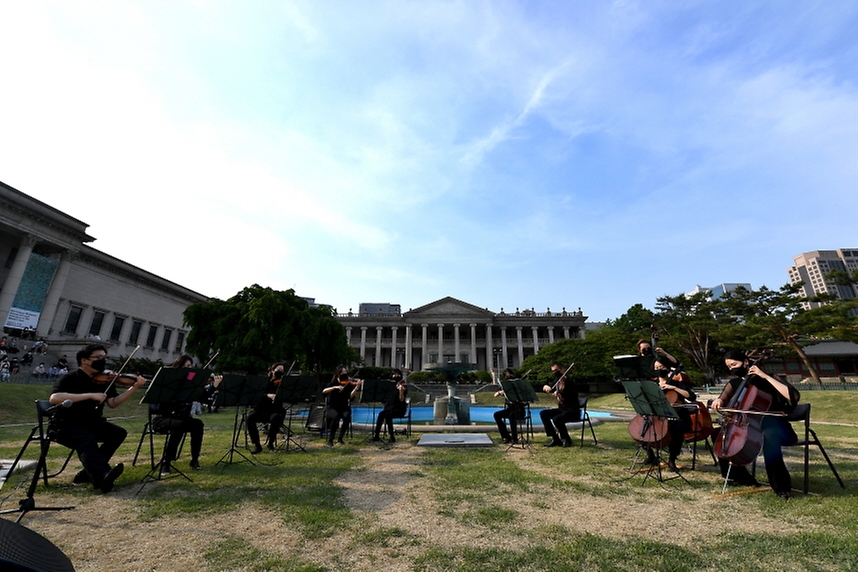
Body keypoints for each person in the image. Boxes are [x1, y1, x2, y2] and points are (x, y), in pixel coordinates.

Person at [49, 344, 146, 493]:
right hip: (66, 425)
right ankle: (102, 477)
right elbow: (55, 398)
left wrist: (134, 387)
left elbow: (113, 403)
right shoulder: (70, 378)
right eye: (98, 357)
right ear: (85, 360)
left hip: (92, 423)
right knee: (87, 440)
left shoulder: (106, 380)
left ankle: (88, 473)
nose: (102, 361)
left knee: (118, 433)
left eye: (104, 358)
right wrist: (89, 395)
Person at [711, 349, 800, 499]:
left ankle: (782, 488)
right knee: (718, 433)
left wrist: (763, 375)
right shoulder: (735, 383)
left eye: (734, 364)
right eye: (729, 367)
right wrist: (719, 401)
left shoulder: (769, 379)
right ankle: (740, 477)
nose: (732, 368)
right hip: (748, 425)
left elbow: (794, 396)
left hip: (776, 426)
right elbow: (724, 398)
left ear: (746, 362)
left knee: (769, 437)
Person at [151, 354, 221, 472]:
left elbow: (203, 398)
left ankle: (194, 459)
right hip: (163, 419)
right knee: (179, 425)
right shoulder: (169, 381)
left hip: (182, 419)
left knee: (198, 424)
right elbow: (157, 403)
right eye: (186, 366)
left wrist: (214, 386)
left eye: (190, 366)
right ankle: (166, 461)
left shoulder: (191, 384)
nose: (189, 368)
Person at [650, 357, 696, 471]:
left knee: (676, 430)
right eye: (656, 368)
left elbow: (691, 396)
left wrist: (674, 388)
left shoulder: (677, 383)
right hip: (658, 417)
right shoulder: (652, 385)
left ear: (668, 368)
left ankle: (672, 459)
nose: (659, 369)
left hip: (678, 417)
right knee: (644, 427)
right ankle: (651, 456)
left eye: (662, 367)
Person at [247, 362, 288, 454]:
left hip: (274, 410)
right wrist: (267, 395)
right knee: (250, 418)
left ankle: (271, 442)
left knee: (276, 418)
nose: (280, 372)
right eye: (278, 370)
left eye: (282, 371)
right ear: (272, 370)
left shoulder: (281, 383)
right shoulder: (264, 382)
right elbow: (257, 394)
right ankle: (257, 445)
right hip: (261, 409)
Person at [539, 362, 580, 447]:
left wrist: (559, 393)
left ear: (562, 369)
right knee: (543, 413)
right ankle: (555, 439)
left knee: (557, 419)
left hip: (572, 410)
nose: (555, 373)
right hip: (562, 409)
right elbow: (551, 387)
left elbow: (571, 395)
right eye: (553, 371)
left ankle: (567, 439)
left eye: (556, 370)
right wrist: (546, 387)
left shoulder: (569, 381)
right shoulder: (557, 380)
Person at [322, 366, 362, 446]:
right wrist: (334, 387)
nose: (345, 374)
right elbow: (324, 391)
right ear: (338, 374)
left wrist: (356, 388)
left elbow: (350, 396)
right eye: (343, 373)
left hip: (344, 406)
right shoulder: (333, 383)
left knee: (347, 417)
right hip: (333, 407)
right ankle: (331, 440)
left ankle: (340, 438)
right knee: (336, 417)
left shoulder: (348, 384)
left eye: (345, 372)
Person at [372, 369, 408, 442]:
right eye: (394, 374)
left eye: (398, 374)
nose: (396, 375)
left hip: (399, 409)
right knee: (381, 414)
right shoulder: (390, 387)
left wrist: (401, 392)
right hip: (390, 408)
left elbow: (401, 400)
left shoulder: (404, 386)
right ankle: (377, 435)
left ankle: (391, 436)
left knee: (387, 415)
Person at [493, 369, 526, 444]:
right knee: (496, 415)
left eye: (509, 375)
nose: (508, 377)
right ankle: (506, 436)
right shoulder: (505, 386)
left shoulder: (518, 385)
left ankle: (515, 438)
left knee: (512, 416)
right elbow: (495, 395)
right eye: (506, 375)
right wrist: (500, 392)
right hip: (510, 408)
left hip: (519, 409)